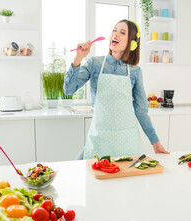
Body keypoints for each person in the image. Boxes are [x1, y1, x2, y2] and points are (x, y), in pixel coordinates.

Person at [64, 19, 169, 160]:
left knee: (127, 180)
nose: (116, 34)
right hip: (100, 138)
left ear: (132, 43)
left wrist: (155, 142)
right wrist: (78, 58)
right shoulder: (94, 63)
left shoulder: (135, 71)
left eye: (122, 32)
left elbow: (141, 110)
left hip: (127, 141)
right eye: (114, 30)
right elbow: (68, 90)